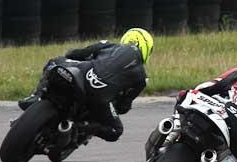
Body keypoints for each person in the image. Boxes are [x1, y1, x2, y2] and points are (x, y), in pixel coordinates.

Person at [19, 28, 152, 142]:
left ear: (126, 39)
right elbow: (123, 107)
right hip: (101, 99)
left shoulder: (108, 45)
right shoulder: (141, 78)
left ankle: (36, 96)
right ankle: (79, 127)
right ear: (146, 50)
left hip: (83, 74)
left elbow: (74, 54)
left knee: (55, 61)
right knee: (115, 130)